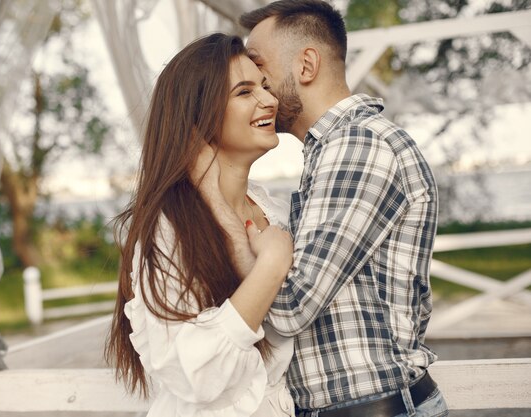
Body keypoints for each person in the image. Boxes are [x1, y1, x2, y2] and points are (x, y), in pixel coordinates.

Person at [208, 1, 447, 416]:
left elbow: (291, 306)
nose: (258, 84)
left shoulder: (358, 145)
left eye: (260, 67)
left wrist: (254, 239)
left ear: (306, 65)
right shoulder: (331, 152)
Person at [106, 33, 296, 417]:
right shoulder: (168, 228)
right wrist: (271, 266)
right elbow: (197, 376)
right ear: (199, 114)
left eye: (263, 86)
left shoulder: (272, 211)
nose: (269, 100)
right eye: (244, 93)